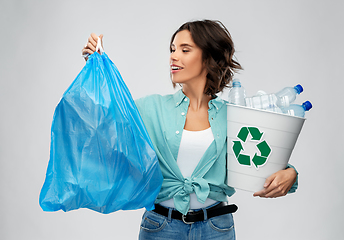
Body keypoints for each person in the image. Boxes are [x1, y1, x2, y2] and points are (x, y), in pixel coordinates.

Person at [82, 19, 298, 240]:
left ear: (208, 57)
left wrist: (291, 173)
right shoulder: (150, 108)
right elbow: (105, 129)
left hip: (216, 228)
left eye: (185, 50)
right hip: (160, 227)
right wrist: (96, 67)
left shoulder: (233, 115)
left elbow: (261, 156)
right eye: (173, 49)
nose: (173, 56)